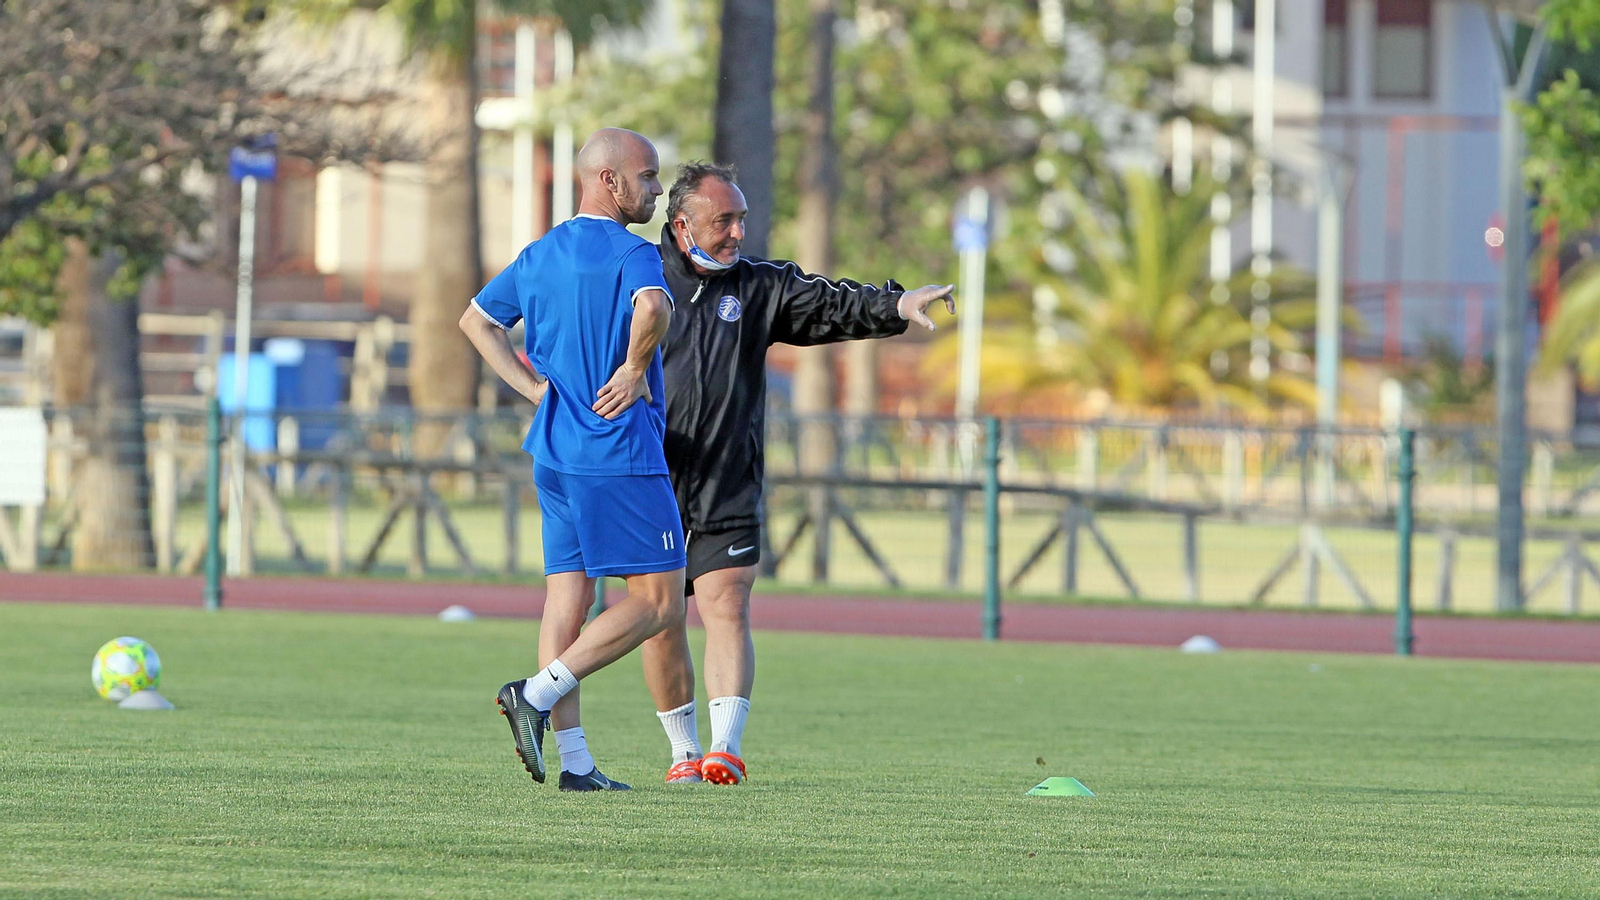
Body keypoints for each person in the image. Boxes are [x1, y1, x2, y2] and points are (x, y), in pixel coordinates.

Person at [639, 161, 956, 785]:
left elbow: (834, 304)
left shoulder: (761, 286)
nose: (736, 232)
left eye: (741, 219)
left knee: (727, 603)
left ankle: (723, 751)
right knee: (660, 616)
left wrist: (898, 303)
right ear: (681, 226)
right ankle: (681, 754)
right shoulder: (638, 279)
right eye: (722, 220)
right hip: (649, 479)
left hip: (729, 479)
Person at [458, 128, 685, 792]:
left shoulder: (540, 252)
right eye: (647, 177)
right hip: (615, 450)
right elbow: (653, 305)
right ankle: (534, 693)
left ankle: (577, 766)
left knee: (568, 597)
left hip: (553, 452)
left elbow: (475, 320)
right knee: (660, 602)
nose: (656, 189)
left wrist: (532, 389)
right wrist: (636, 365)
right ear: (608, 180)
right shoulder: (631, 252)